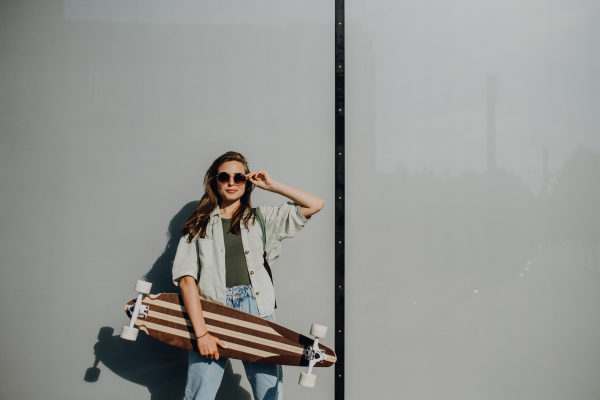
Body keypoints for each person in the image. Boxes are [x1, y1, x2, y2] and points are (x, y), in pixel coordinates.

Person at [172, 151, 324, 400]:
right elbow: (187, 281)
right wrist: (201, 334)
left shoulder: (262, 219)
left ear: (247, 182)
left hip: (258, 311)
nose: (231, 182)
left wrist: (271, 185)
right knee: (200, 394)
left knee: (269, 394)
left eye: (239, 177)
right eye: (224, 177)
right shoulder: (197, 225)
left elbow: (315, 204)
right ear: (215, 181)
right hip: (211, 313)